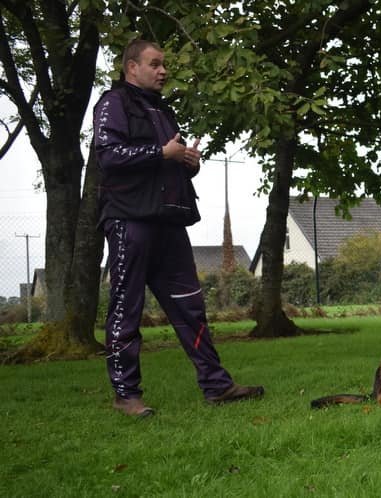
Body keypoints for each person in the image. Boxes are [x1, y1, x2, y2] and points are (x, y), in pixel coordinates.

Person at [94, 39, 264, 417]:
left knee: (191, 307)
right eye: (155, 64)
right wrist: (161, 153)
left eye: (164, 65)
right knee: (126, 309)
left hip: (169, 223)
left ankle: (217, 386)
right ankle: (126, 396)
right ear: (131, 67)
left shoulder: (163, 111)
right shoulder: (112, 104)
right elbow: (107, 155)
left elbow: (169, 158)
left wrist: (187, 160)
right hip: (129, 221)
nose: (163, 71)